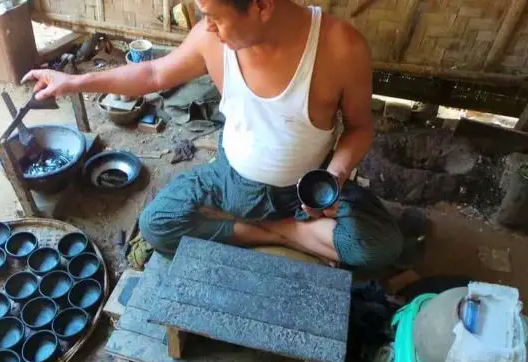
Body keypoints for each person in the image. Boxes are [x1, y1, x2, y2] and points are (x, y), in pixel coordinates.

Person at [22, 0, 403, 267]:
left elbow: (359, 128)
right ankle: (287, 234)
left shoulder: (340, 47)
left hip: (307, 194)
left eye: (213, 17)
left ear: (261, 5)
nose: (207, 28)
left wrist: (334, 176)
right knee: (158, 225)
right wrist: (74, 81)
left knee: (379, 246)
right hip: (230, 181)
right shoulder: (212, 40)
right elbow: (154, 74)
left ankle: (265, 227)